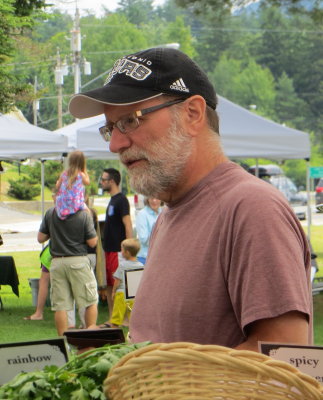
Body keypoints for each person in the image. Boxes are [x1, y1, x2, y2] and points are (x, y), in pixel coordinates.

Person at [68, 47, 312, 351]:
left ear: (192, 114)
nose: (115, 144)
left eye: (129, 121)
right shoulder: (170, 214)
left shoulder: (252, 208)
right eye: (110, 128)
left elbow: (283, 353)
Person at [37, 205, 98, 336]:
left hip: (57, 262)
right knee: (90, 302)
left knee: (61, 306)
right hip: (78, 261)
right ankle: (90, 341)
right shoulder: (83, 214)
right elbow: (92, 242)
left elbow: (40, 238)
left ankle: (63, 344)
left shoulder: (51, 212)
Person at [100, 168, 133, 319]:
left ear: (111, 181)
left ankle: (124, 318)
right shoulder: (112, 200)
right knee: (109, 284)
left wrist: (129, 249)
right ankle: (113, 317)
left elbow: (128, 224)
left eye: (103, 179)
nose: (101, 182)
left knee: (119, 285)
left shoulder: (121, 200)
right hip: (108, 250)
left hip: (118, 251)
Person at [101, 238, 143, 328]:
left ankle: (114, 332)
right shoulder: (141, 265)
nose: (121, 252)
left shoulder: (123, 265)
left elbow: (117, 280)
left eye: (122, 250)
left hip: (121, 295)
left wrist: (113, 291)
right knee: (132, 317)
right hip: (133, 296)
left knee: (116, 317)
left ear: (127, 252)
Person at [55, 150, 90, 219]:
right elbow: (88, 182)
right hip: (76, 204)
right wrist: (84, 170)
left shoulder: (64, 174)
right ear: (82, 163)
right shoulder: (81, 175)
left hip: (63, 205)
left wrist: (57, 183)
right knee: (89, 214)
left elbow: (57, 186)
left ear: (70, 161)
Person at [135, 197, 162, 264]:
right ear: (147, 199)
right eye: (151, 198)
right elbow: (144, 239)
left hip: (161, 257)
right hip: (146, 258)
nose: (154, 201)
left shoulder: (163, 212)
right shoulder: (142, 214)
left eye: (157, 198)